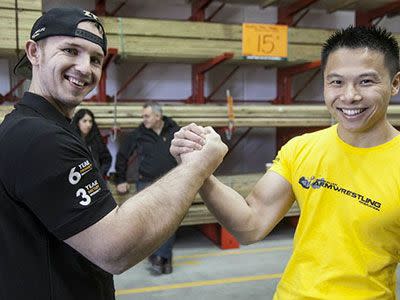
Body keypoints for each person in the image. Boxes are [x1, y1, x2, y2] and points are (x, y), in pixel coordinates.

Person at [0, 7, 227, 300]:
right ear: (34, 52)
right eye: (70, 50)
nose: (85, 68)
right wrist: (196, 168)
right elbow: (114, 249)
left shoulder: (37, 127)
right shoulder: (40, 139)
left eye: (96, 59)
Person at [171, 26, 400, 299]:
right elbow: (251, 224)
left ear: (395, 83)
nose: (349, 96)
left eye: (366, 81)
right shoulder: (301, 148)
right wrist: (200, 172)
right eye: (336, 82)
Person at [115, 101, 180, 274]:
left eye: (146, 116)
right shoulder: (139, 133)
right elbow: (122, 156)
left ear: (158, 116)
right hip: (146, 183)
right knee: (150, 223)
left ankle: (162, 257)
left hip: (171, 183)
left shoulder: (175, 130)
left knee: (168, 222)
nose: (143, 119)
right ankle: (161, 258)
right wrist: (120, 179)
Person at [72, 108, 112, 177]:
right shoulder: (72, 140)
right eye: (84, 121)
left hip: (95, 179)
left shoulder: (96, 139)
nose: (88, 125)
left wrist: (100, 173)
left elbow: (107, 158)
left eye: (90, 121)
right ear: (78, 123)